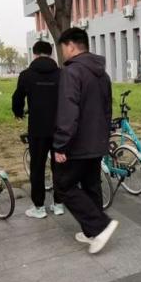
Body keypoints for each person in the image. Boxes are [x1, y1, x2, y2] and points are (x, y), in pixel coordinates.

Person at [52, 28, 118, 254]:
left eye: (63, 48)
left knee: (63, 186)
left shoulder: (71, 72)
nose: (63, 52)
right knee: (91, 185)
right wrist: (103, 138)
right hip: (97, 140)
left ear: (71, 46)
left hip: (78, 143)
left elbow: (68, 111)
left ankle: (100, 226)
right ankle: (92, 232)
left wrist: (60, 144)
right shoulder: (102, 74)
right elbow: (108, 110)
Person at [12, 40, 65, 218]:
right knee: (59, 166)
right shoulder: (62, 74)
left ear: (34, 54)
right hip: (59, 128)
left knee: (37, 167)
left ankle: (39, 207)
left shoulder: (26, 75)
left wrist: (18, 112)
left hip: (37, 129)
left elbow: (17, 98)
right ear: (51, 54)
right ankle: (59, 204)